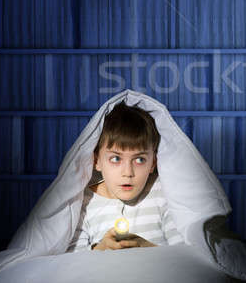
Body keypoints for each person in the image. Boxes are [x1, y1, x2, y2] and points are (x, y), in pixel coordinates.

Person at [66, 101, 184, 252]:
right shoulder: (83, 201)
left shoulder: (163, 191)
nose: (128, 172)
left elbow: (183, 256)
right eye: (116, 159)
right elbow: (71, 262)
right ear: (96, 161)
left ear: (153, 163)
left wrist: (146, 248)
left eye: (139, 160)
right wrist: (100, 249)